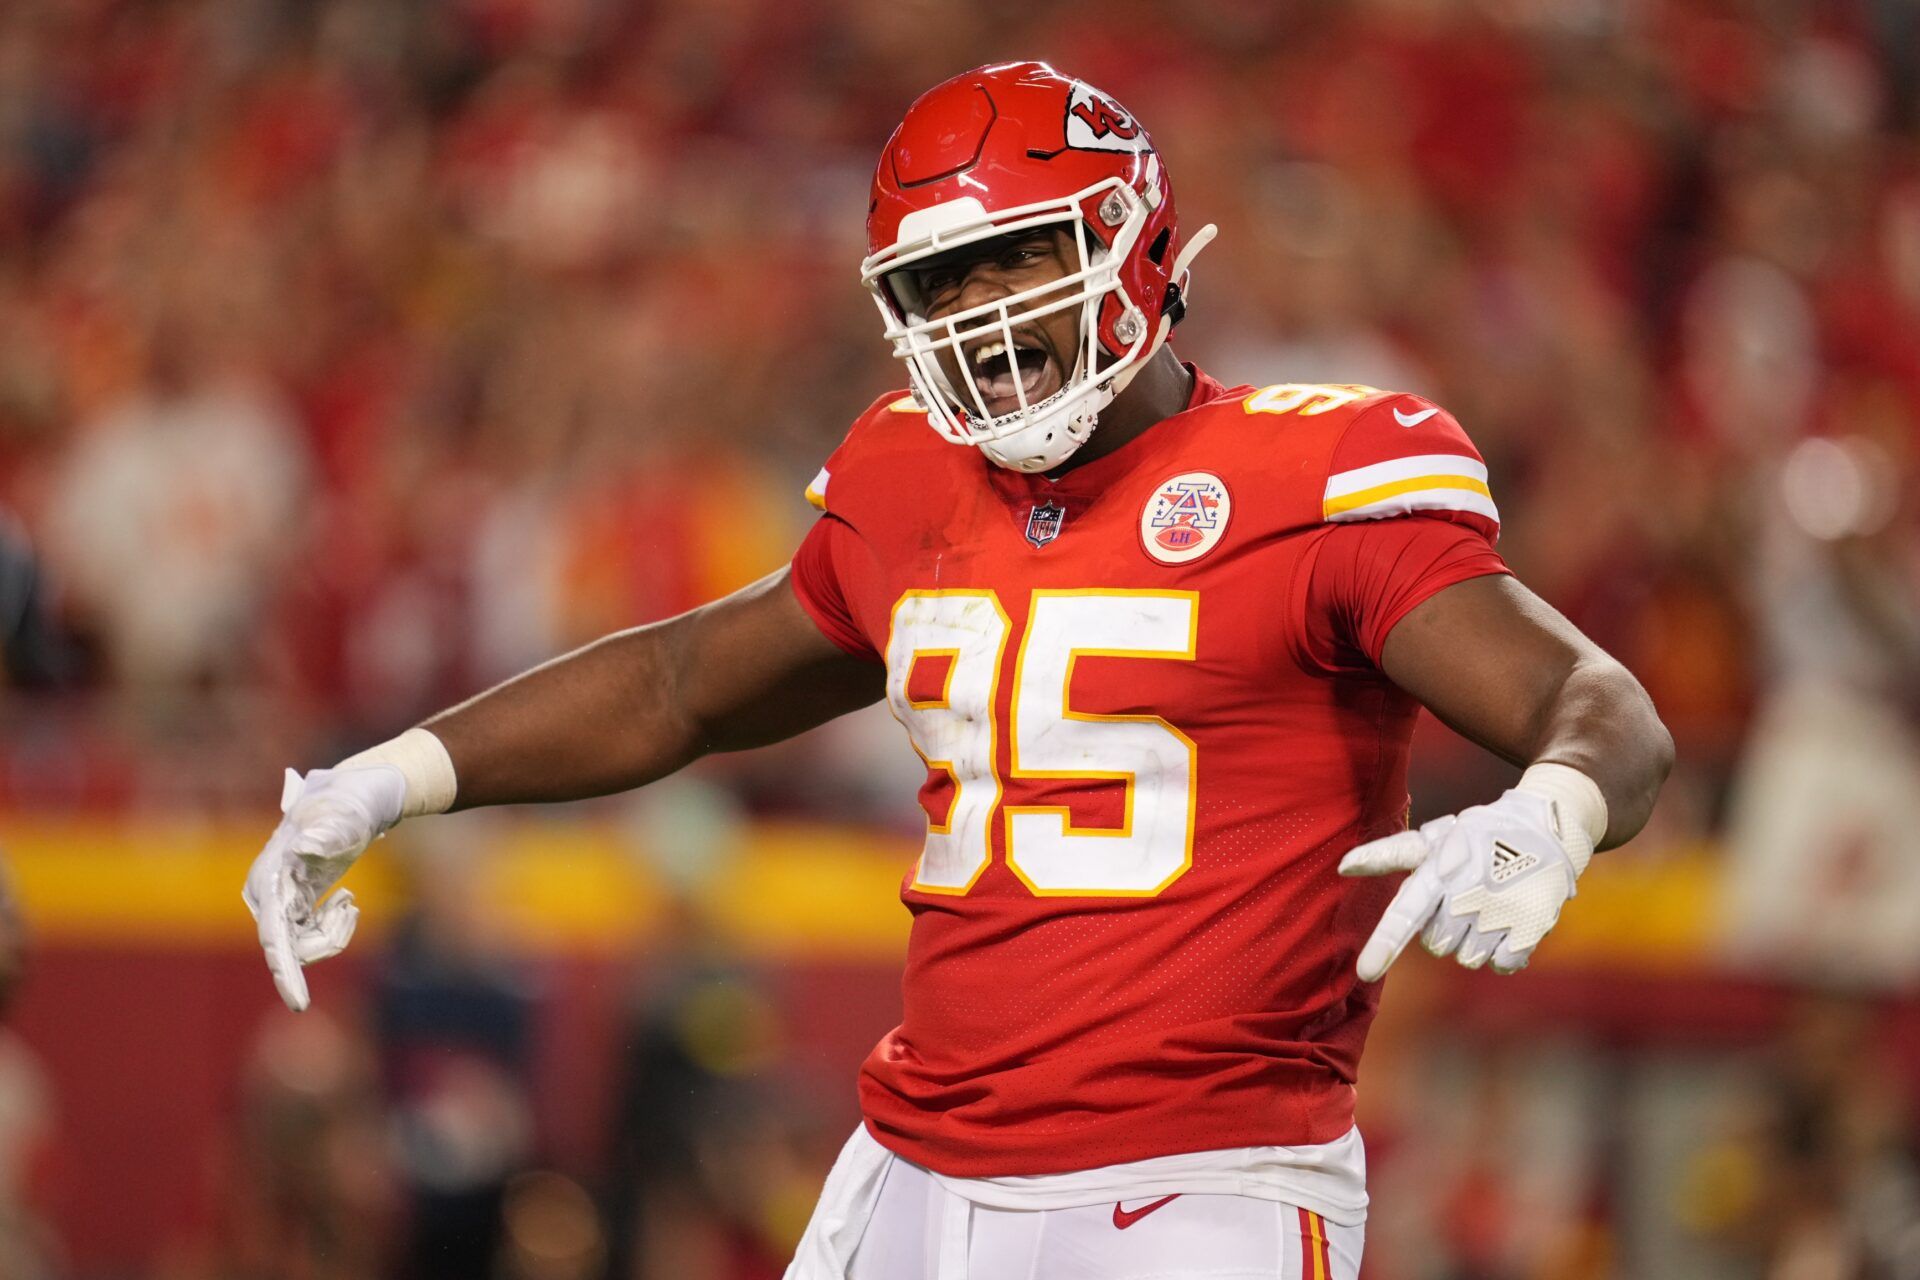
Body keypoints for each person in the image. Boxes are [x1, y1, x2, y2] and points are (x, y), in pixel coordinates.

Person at [243, 62, 1672, 1279]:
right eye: (941, 279)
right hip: (917, 1165)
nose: (980, 312)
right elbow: (683, 682)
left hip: (1204, 1183)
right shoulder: (909, 475)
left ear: (1132, 241)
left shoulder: (1315, 469)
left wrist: (1555, 807)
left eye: (1018, 256)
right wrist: (390, 779)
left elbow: (1598, 705)